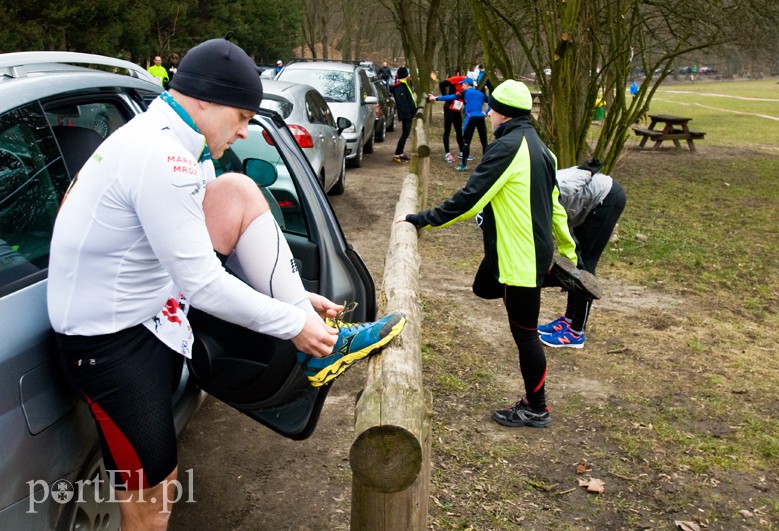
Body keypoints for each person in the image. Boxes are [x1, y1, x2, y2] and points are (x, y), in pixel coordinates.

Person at [47, 38, 405, 530]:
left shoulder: (172, 141)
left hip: (150, 311)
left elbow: (199, 239)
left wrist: (295, 302)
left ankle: (320, 346)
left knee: (237, 189)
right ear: (205, 100)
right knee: (151, 503)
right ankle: (314, 342)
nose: (242, 133)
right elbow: (204, 286)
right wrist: (292, 324)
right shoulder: (161, 157)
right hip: (112, 345)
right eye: (240, 117)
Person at [399, 80, 580, 429]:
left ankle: (536, 407)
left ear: (502, 113)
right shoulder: (542, 148)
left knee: (526, 334)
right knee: (483, 286)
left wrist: (422, 220)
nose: (488, 113)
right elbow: (556, 208)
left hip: (521, 257)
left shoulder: (507, 148)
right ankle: (542, 281)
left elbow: (469, 200)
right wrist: (569, 250)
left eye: (492, 108)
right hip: (524, 251)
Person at [538, 160, 626, 348]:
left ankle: (576, 332)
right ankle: (569, 320)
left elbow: (562, 229)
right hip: (589, 202)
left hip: (606, 198)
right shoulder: (537, 191)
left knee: (584, 264)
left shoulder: (558, 191)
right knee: (574, 264)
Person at [429, 76, 487, 172]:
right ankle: (486, 165)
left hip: (471, 118)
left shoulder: (464, 92)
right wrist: (487, 112)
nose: (461, 86)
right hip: (481, 117)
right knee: (484, 142)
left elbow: (451, 96)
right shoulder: (480, 93)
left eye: (463, 84)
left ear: (467, 84)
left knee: (466, 142)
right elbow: (491, 101)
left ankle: (463, 165)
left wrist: (436, 98)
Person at [437, 72, 466, 163]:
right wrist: (446, 97)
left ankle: (462, 151)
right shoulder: (457, 79)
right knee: (447, 130)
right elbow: (442, 84)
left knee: (459, 131)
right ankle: (447, 153)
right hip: (449, 108)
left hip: (457, 109)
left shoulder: (468, 86)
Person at [391, 66, 415, 163]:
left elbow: (410, 99)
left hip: (408, 113)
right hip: (406, 114)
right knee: (405, 133)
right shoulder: (400, 86)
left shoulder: (405, 84)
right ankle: (397, 154)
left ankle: (400, 153)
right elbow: (403, 103)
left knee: (406, 133)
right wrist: (408, 114)